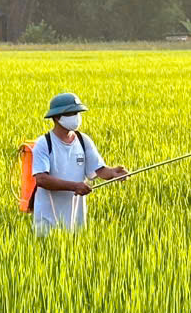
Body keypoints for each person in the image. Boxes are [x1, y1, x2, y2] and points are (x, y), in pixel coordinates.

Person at [31, 92, 128, 235]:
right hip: (48, 218)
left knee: (75, 252)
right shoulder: (44, 143)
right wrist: (75, 186)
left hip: (76, 217)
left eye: (78, 112)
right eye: (72, 113)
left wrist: (113, 172)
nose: (77, 117)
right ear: (57, 117)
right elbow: (41, 179)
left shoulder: (83, 140)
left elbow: (99, 170)